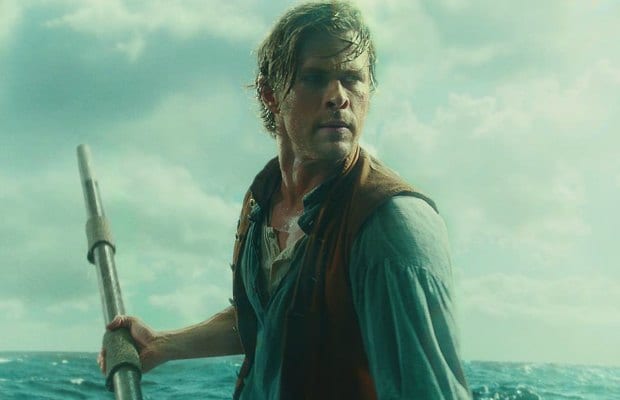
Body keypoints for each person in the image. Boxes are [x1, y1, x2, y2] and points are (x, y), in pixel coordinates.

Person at [99, 1, 471, 399]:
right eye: (315, 78)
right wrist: (162, 344)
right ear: (270, 94)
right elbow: (269, 319)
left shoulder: (390, 225)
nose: (338, 96)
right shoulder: (264, 200)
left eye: (352, 79)